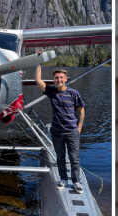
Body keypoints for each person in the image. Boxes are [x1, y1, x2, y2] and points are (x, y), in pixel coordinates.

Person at [35, 64, 86, 194]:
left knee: (74, 158)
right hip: (57, 131)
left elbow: (81, 110)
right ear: (54, 80)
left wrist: (79, 127)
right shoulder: (52, 92)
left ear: (66, 79)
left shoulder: (74, 93)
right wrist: (38, 64)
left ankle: (76, 182)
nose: (59, 80)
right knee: (60, 157)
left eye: (61, 77)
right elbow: (38, 80)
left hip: (72, 131)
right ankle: (63, 179)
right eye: (56, 78)